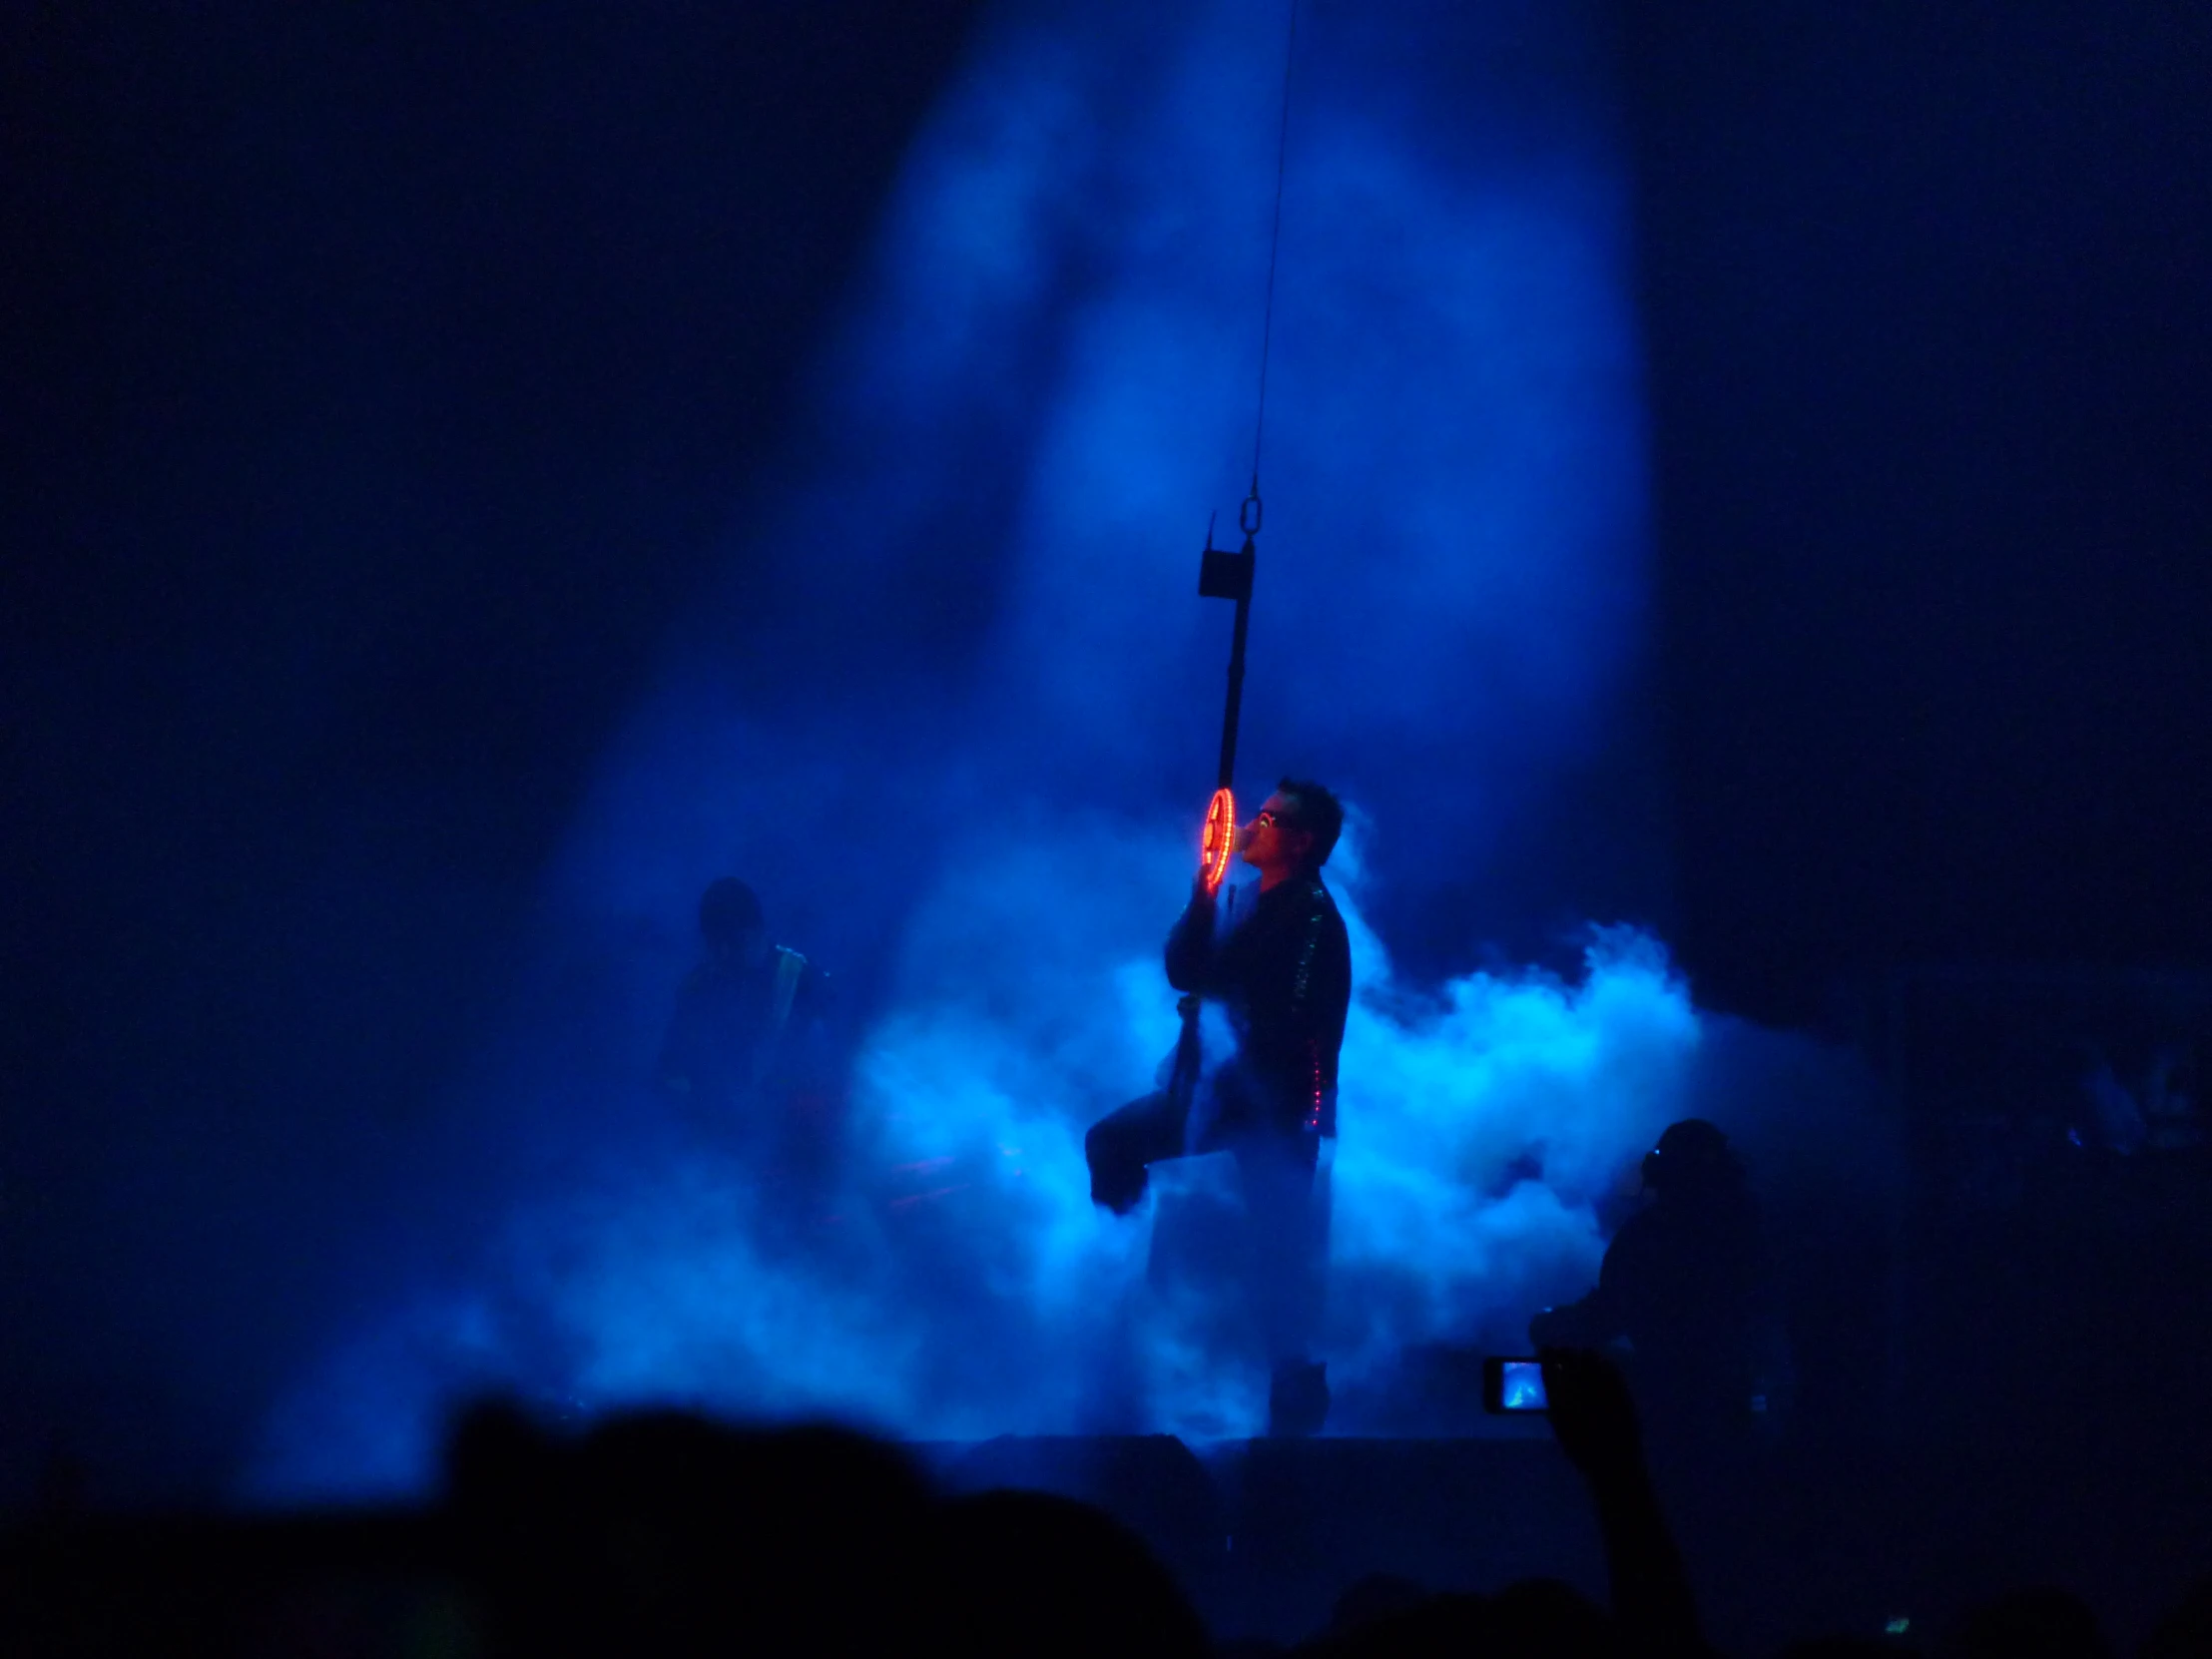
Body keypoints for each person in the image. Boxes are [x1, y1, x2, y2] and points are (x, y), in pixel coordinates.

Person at [1085, 780, 1353, 1434]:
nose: (1252, 826)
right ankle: (1113, 1287)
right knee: (1112, 1142)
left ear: (1303, 839)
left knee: (1278, 1260)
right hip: (1218, 1092)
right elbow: (1183, 967)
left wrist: (1223, 1047)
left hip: (1276, 1107)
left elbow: (1290, 1021)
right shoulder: (1240, 899)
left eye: (1269, 817)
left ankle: (1293, 1415)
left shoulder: (1314, 919)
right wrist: (1203, 891)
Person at [1529, 1119, 1786, 1447]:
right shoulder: (1759, 1229)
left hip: (1677, 1403)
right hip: (1750, 1400)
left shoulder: (1653, 1235)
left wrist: (1552, 1326)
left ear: (1662, 1171)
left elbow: (1609, 1312)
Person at [656, 878, 835, 1197]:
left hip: (792, 1155)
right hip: (716, 1158)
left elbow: (831, 1074)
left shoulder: (804, 981)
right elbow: (670, 1070)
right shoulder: (696, 990)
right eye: (715, 944)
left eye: (733, 942)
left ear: (757, 931)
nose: (724, 954)